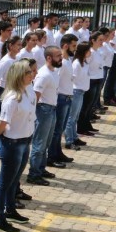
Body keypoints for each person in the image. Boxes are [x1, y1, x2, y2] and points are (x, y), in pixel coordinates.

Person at [0, 59, 37, 232]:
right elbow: (1, 124)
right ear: (20, 75)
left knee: (15, 180)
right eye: (29, 72)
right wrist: (0, 136)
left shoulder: (29, 91)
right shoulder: (12, 98)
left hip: (24, 140)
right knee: (5, 182)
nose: (32, 74)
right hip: (12, 143)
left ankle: (10, 210)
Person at [27, 46, 63, 186]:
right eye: (58, 56)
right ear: (49, 58)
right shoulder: (44, 74)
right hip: (44, 110)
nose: (61, 58)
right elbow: (36, 97)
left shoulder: (53, 71)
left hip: (51, 109)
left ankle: (41, 169)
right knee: (39, 143)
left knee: (46, 142)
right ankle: (34, 173)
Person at [48, 34, 78, 166]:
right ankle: (52, 156)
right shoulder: (62, 64)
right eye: (73, 46)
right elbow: (56, 81)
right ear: (65, 46)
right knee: (56, 130)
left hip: (67, 98)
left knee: (60, 129)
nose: (75, 49)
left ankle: (58, 152)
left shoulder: (67, 60)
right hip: (61, 98)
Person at [65, 42, 92, 149]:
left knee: (75, 117)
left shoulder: (84, 62)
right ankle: (69, 140)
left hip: (81, 91)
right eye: (89, 50)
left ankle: (74, 137)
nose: (91, 52)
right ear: (84, 52)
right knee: (71, 118)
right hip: (76, 91)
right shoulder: (76, 63)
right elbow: (73, 78)